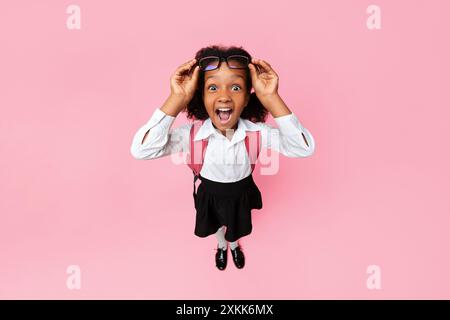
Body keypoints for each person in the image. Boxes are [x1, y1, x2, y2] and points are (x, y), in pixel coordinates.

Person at [130, 45, 315, 270]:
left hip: (241, 192)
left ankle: (234, 245)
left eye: (236, 87)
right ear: (200, 96)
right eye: (213, 87)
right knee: (217, 226)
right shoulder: (191, 135)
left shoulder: (257, 133)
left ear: (248, 97)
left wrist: (271, 98)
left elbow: (303, 148)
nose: (224, 96)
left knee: (236, 226)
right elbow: (142, 150)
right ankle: (221, 246)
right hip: (209, 193)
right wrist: (177, 99)